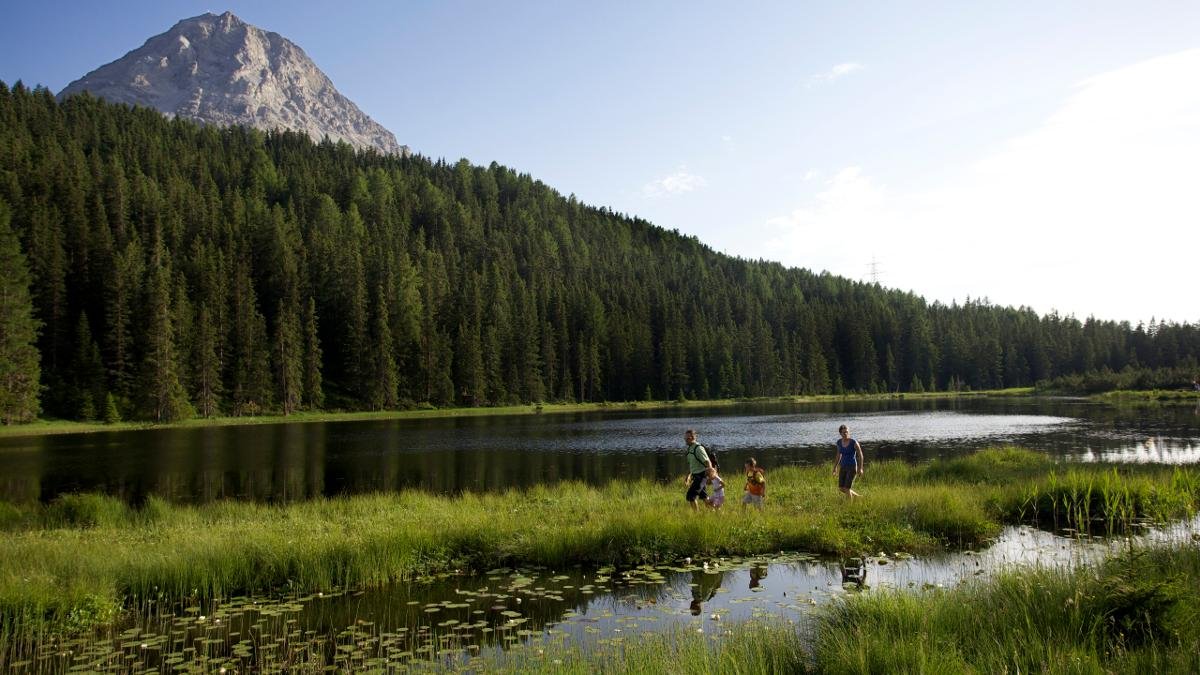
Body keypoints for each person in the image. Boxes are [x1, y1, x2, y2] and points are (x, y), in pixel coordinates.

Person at [684, 429, 713, 511]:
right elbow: (691, 465)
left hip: (701, 476)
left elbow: (708, 462)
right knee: (704, 497)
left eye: (687, 438)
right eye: (685, 438)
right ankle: (715, 512)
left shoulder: (698, 448)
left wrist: (710, 477)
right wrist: (688, 476)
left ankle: (696, 515)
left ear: (693, 437)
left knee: (690, 496)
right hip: (696, 476)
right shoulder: (690, 449)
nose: (685, 440)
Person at [833, 424, 864, 498]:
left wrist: (860, 468)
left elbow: (860, 455)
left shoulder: (853, 442)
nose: (846, 434)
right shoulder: (839, 442)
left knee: (847, 488)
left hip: (852, 466)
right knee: (841, 488)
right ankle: (858, 497)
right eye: (844, 432)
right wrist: (835, 467)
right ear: (840, 433)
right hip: (843, 466)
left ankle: (849, 506)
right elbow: (838, 455)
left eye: (847, 432)